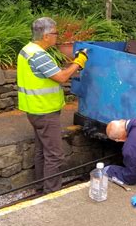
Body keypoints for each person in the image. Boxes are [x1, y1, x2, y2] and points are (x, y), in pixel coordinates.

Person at [17, 17, 88, 193]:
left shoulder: (27, 50)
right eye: (56, 33)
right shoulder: (39, 55)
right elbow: (62, 77)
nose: (58, 37)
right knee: (55, 155)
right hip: (45, 112)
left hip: (34, 109)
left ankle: (40, 187)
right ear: (46, 35)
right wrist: (79, 62)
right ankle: (51, 193)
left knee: (42, 151)